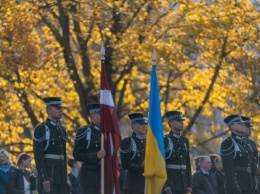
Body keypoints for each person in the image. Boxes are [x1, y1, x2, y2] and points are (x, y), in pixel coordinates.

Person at [33, 97, 68, 194]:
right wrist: (44, 177)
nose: (61, 110)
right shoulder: (41, 128)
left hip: (61, 177)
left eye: (61, 108)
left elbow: (63, 155)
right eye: (57, 108)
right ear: (49, 110)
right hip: (49, 175)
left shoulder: (62, 129)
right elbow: (38, 155)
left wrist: (65, 178)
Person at [73, 103, 106, 194]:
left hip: (105, 175)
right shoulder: (85, 131)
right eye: (101, 114)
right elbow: (77, 154)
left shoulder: (107, 133)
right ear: (93, 116)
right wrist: (95, 156)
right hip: (90, 177)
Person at [220, 114, 255, 194]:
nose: (243, 125)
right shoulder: (228, 143)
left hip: (249, 185)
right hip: (237, 186)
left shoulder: (246, 143)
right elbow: (228, 168)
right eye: (239, 123)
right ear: (232, 126)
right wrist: (235, 186)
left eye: (243, 123)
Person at [163, 110, 192, 194]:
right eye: (179, 121)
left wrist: (189, 184)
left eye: (182, 121)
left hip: (183, 183)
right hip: (172, 183)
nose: (182, 123)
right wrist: (166, 185)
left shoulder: (184, 140)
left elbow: (187, 163)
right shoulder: (165, 140)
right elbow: (161, 164)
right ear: (171, 123)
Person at [119, 112, 147, 194]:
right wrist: (141, 166)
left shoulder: (147, 141)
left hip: (147, 183)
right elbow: (125, 164)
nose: (144, 126)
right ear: (133, 126)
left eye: (145, 124)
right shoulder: (128, 142)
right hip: (133, 184)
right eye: (141, 124)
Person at [241, 116, 260, 193]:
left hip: (254, 180)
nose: (250, 128)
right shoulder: (236, 143)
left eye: (250, 126)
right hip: (243, 180)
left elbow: (256, 160)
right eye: (247, 126)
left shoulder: (252, 144)